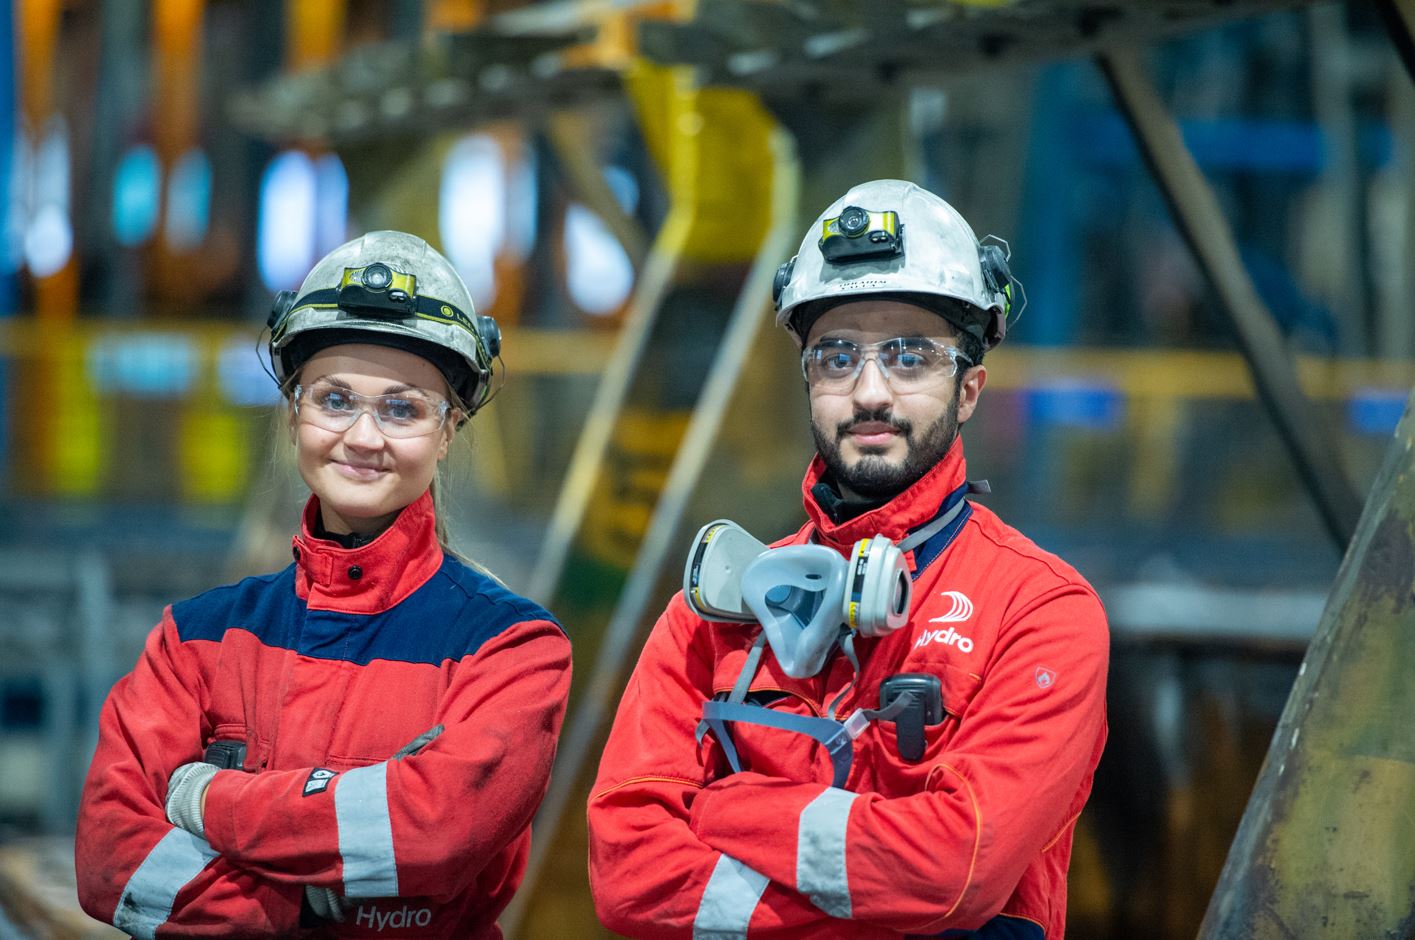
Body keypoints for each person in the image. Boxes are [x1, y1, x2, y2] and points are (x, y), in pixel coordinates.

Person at [587, 180, 1108, 939]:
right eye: (836, 357)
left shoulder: (1039, 613)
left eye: (909, 357)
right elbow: (627, 876)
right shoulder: (710, 615)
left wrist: (727, 809)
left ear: (968, 389)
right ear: (807, 379)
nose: (868, 393)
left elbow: (956, 869)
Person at [75, 231, 572, 938]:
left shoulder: (512, 649)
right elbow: (109, 859)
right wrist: (307, 907)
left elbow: (434, 833)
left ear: (447, 432)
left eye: (402, 408)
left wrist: (207, 800)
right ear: (293, 413)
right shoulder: (194, 640)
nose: (363, 437)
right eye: (335, 399)